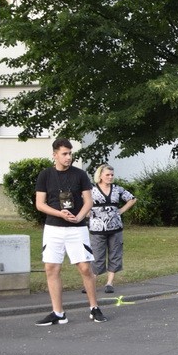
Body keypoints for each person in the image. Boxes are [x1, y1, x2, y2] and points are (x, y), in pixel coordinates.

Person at [34, 138, 107, 325]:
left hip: (77, 228)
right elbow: (40, 204)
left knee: (84, 267)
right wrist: (60, 213)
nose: (68, 157)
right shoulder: (45, 175)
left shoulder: (80, 175)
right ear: (55, 155)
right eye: (64, 154)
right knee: (51, 268)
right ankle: (58, 312)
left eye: (70, 153)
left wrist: (80, 216)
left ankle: (94, 307)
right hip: (53, 228)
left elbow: (88, 201)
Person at [88, 164, 137, 294]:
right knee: (96, 255)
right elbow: (82, 202)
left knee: (115, 254)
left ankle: (109, 283)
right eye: (107, 175)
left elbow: (132, 199)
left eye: (112, 175)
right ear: (100, 176)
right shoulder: (91, 189)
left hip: (115, 228)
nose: (110, 177)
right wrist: (87, 214)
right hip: (97, 228)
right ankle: (91, 283)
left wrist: (121, 210)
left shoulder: (117, 189)